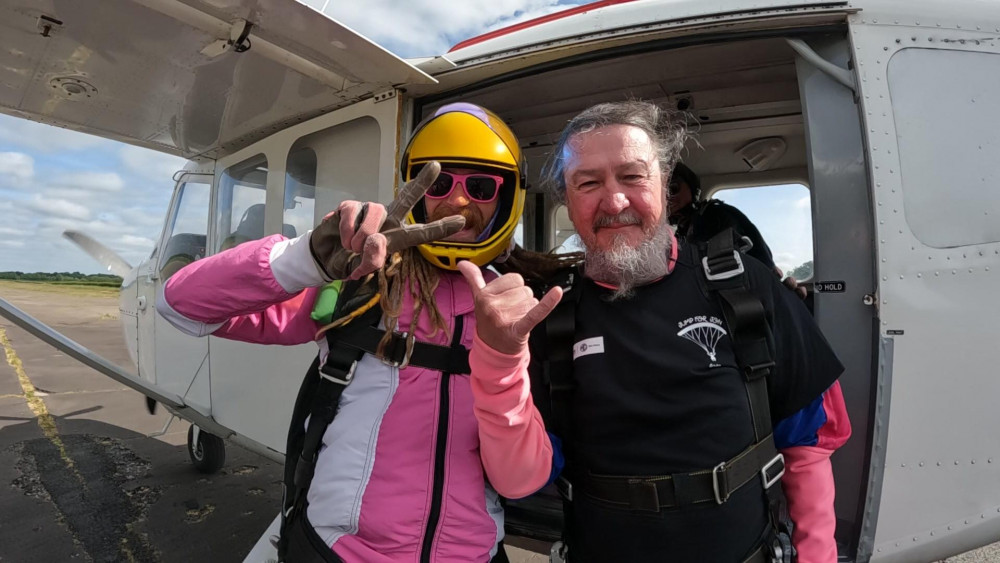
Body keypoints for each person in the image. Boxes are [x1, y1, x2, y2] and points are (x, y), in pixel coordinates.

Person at [156, 102, 572, 562]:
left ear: (507, 196)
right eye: (439, 183)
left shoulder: (520, 310)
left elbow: (521, 480)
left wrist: (502, 360)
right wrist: (307, 257)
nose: (456, 201)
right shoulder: (362, 284)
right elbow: (181, 305)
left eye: (480, 185)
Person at [458, 100, 851, 562]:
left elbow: (810, 444)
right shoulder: (552, 313)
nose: (615, 201)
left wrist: (817, 556)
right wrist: (500, 361)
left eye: (632, 176)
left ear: (665, 183)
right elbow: (519, 480)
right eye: (588, 183)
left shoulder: (744, 286)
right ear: (568, 201)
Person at [670, 162, 806, 298]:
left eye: (673, 189)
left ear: (692, 188)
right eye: (661, 192)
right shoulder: (684, 228)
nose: (667, 198)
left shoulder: (715, 216)